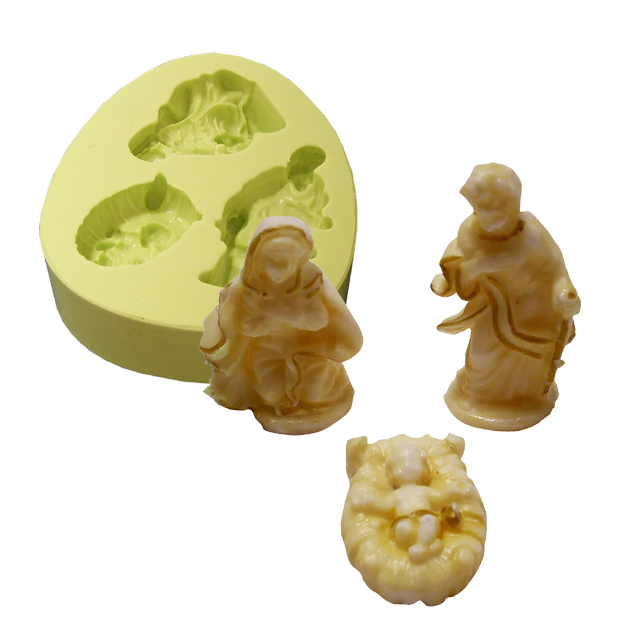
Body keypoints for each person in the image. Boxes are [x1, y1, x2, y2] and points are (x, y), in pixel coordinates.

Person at [431, 163, 580, 430]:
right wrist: (468, 270)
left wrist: (564, 292)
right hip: (492, 311)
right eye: (477, 207)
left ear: (511, 204)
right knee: (482, 358)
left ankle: (523, 398)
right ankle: (479, 396)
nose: (481, 214)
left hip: (532, 310)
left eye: (489, 207)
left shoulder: (533, 232)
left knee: (529, 362)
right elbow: (457, 261)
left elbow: (556, 268)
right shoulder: (470, 231)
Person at [200, 216, 362, 434]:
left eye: (291, 261)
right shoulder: (247, 290)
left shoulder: (312, 282)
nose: (282, 269)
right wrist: (273, 318)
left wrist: (292, 316)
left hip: (307, 351)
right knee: (271, 393)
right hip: (267, 354)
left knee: (317, 390)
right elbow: (244, 327)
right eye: (274, 260)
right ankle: (273, 403)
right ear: (258, 257)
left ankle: (313, 404)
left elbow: (325, 320)